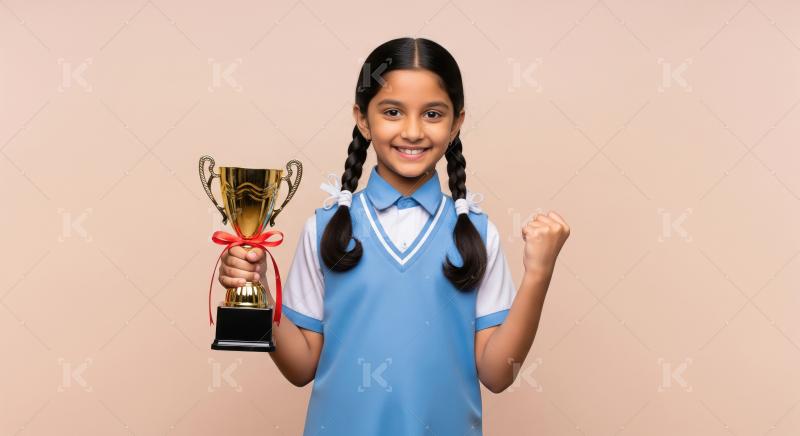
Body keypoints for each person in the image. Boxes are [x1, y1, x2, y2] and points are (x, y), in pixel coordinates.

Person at [217, 37, 570, 435]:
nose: (413, 131)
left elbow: (497, 373)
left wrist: (538, 274)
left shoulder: (476, 233)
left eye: (433, 113)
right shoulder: (326, 228)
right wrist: (258, 289)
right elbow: (301, 368)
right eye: (392, 112)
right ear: (363, 119)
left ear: (457, 123)